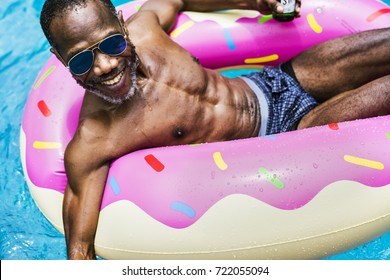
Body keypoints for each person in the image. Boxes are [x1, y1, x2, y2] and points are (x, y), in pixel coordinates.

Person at [39, 0, 390, 259]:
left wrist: (255, 2)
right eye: (82, 60)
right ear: (59, 57)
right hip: (286, 138)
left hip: (274, 82)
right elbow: (80, 251)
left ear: (122, 23)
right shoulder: (96, 139)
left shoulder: (146, 29)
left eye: (112, 44)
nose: (106, 66)